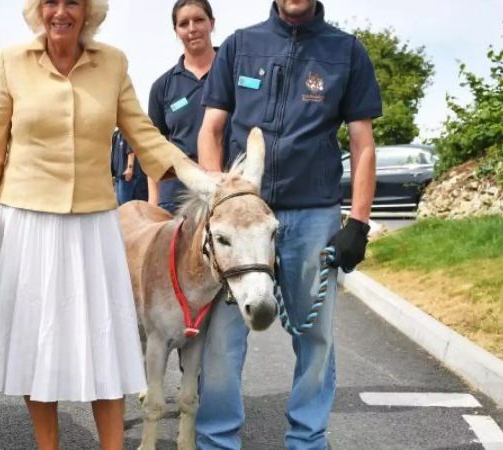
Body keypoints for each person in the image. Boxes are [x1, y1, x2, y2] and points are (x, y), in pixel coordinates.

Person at [0, 1, 188, 448]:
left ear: (87, 11)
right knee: (38, 349)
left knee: (105, 350)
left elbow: (144, 134)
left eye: (72, 2)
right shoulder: (11, 61)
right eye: (50, 2)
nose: (61, 12)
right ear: (38, 10)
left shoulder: (112, 62)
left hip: (92, 227)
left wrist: (198, 177)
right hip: (26, 225)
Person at [194, 1, 382, 449]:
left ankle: (307, 440)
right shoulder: (240, 46)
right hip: (243, 219)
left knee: (314, 336)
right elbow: (211, 130)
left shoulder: (346, 51)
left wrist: (358, 221)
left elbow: (362, 143)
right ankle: (217, 441)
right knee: (222, 336)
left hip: (311, 213)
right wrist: (221, 201)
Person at [148, 0, 221, 213]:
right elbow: (153, 149)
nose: (192, 29)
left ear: (212, 23)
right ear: (176, 31)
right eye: (183, 23)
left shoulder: (232, 73)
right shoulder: (162, 87)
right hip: (177, 198)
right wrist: (154, 204)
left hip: (225, 192)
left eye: (199, 20)